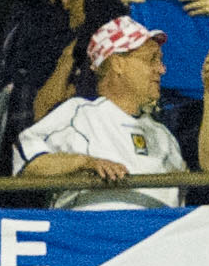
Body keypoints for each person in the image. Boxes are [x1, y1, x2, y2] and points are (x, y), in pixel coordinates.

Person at [16, 17, 186, 209]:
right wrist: (86, 163)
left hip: (158, 235)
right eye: (151, 59)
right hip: (94, 233)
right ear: (117, 64)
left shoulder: (163, 134)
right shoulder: (79, 114)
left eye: (160, 61)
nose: (161, 70)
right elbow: (28, 163)